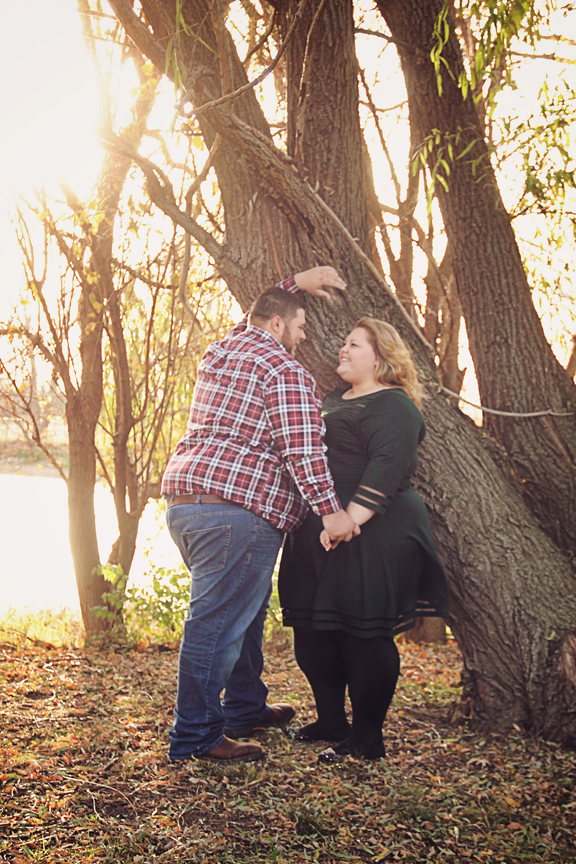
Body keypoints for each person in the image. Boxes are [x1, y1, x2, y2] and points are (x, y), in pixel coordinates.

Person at [161, 266, 359, 765]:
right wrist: (332, 513)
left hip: (186, 505)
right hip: (238, 513)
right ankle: (196, 737)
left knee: (240, 612)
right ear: (277, 325)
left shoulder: (221, 352)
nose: (304, 335)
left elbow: (252, 315)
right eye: (300, 326)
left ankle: (244, 706)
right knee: (215, 623)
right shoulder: (285, 371)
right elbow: (303, 450)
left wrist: (296, 283)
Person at [278, 317, 449, 761]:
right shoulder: (332, 400)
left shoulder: (395, 405)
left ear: (380, 356)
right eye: (344, 342)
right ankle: (331, 720)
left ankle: (367, 737)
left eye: (354, 344)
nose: (343, 349)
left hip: (374, 532)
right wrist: (325, 523)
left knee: (364, 633)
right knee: (311, 629)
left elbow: (387, 467)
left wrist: (347, 522)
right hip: (319, 530)